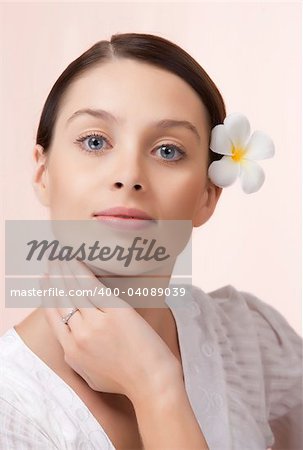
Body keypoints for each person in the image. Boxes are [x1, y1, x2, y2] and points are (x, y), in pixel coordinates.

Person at [0, 32, 302, 450]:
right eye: (95, 141)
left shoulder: (251, 340)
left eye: (167, 151)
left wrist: (155, 386)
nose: (128, 174)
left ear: (206, 197)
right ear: (43, 172)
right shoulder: (9, 410)